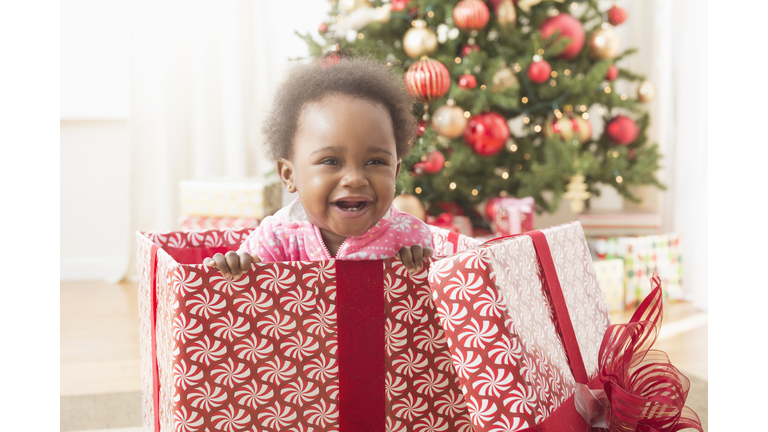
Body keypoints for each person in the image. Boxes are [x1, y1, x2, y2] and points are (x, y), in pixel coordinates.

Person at [204, 57, 434, 279]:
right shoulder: (276, 238)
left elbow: (436, 307)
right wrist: (235, 268)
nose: (354, 179)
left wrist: (421, 266)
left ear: (395, 172)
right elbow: (247, 304)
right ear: (289, 175)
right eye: (331, 161)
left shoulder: (410, 236)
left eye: (375, 162)